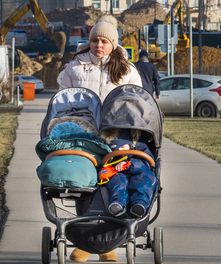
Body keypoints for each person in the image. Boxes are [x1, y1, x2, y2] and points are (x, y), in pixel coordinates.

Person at [57, 15, 142, 263]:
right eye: (95, 40)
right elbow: (63, 102)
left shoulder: (127, 70)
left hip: (116, 132)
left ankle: (106, 243)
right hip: (84, 131)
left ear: (113, 44)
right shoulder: (74, 68)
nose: (99, 45)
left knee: (113, 177)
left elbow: (137, 102)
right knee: (84, 180)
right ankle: (86, 239)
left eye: (104, 41)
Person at [99, 127, 156, 219]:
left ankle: (139, 203)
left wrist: (130, 164)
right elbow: (102, 171)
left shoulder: (140, 149)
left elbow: (147, 163)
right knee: (117, 183)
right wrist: (111, 170)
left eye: (122, 147)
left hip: (138, 174)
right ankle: (118, 204)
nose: (121, 151)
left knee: (145, 180)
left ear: (129, 144)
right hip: (120, 176)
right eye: (117, 150)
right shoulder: (111, 158)